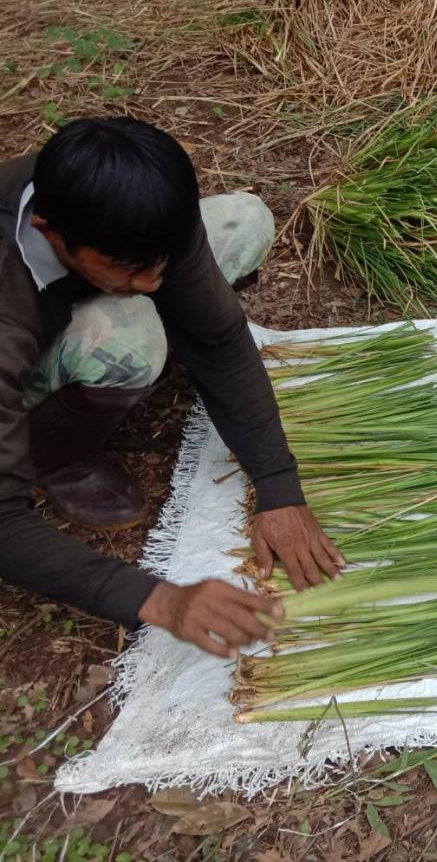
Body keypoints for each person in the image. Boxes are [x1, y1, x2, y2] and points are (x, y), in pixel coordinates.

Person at [0, 117, 346, 657]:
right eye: (128, 268)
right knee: (131, 340)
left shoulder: (120, 216)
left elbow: (219, 339)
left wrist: (278, 485)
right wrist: (162, 601)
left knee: (243, 221)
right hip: (17, 342)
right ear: (49, 232)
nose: (151, 284)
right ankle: (52, 452)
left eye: (158, 264)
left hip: (69, 284)